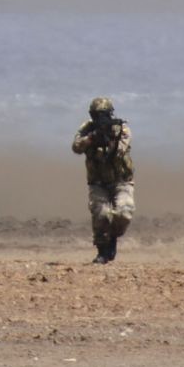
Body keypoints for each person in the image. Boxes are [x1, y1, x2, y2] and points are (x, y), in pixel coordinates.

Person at [71, 96, 135, 264]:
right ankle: (102, 250)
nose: (100, 119)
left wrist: (109, 140)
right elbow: (76, 147)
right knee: (101, 215)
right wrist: (92, 139)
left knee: (124, 213)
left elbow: (121, 150)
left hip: (121, 180)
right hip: (98, 182)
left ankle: (112, 236)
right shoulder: (87, 129)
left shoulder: (121, 128)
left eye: (104, 115)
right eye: (97, 115)